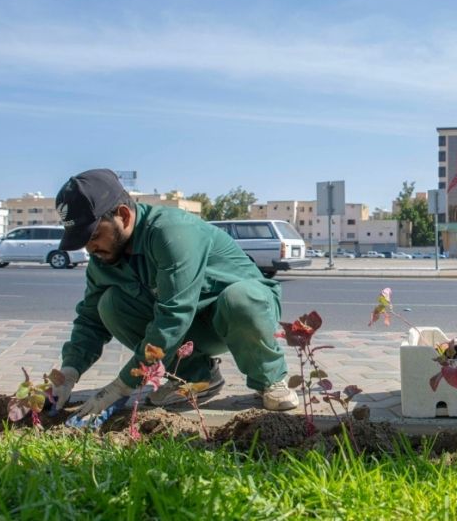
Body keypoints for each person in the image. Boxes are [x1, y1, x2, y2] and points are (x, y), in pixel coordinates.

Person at [50, 168, 298, 423]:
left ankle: (269, 379)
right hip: (187, 324)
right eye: (82, 240)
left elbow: (174, 314)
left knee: (239, 298)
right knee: (109, 305)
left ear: (123, 215)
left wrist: (123, 385)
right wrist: (69, 372)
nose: (89, 248)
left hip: (236, 316)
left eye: (93, 236)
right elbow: (90, 319)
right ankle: (196, 377)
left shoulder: (170, 232)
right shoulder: (103, 257)